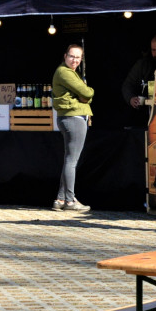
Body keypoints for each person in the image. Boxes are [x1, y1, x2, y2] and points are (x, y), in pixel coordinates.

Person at [51, 44, 95, 212]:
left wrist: (84, 96)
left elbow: (84, 95)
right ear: (65, 56)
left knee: (69, 159)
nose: (75, 60)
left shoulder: (71, 73)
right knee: (71, 161)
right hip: (73, 118)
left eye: (78, 57)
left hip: (70, 117)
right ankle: (70, 201)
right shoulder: (64, 72)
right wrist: (85, 95)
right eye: (72, 56)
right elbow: (88, 93)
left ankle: (60, 199)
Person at [121, 34, 156, 108]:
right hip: (146, 111)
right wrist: (131, 99)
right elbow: (128, 85)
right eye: (153, 50)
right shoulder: (143, 65)